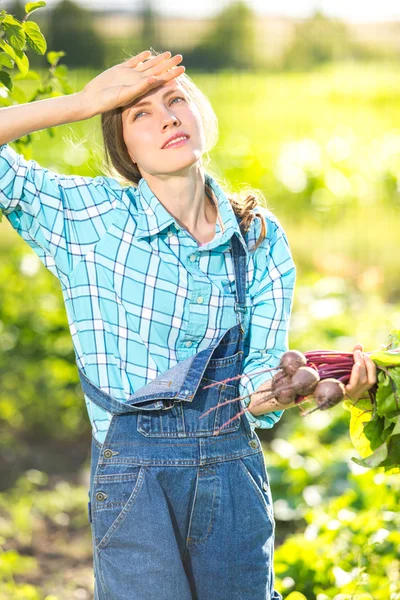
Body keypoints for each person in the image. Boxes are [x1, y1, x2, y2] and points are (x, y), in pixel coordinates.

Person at [0, 49, 376, 599]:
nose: (168, 118)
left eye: (176, 100)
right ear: (122, 146)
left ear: (202, 114)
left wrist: (299, 386)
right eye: (139, 113)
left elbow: (252, 386)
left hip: (232, 476)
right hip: (135, 488)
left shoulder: (257, 238)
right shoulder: (87, 219)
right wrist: (84, 102)